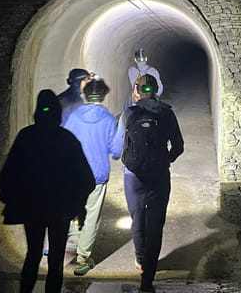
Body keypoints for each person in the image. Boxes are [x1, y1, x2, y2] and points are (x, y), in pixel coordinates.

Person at [0, 89, 94, 293]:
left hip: (32, 208)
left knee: (33, 254)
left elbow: (8, 174)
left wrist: (10, 198)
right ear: (58, 112)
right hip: (60, 209)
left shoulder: (26, 136)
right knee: (56, 260)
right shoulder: (67, 139)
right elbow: (86, 179)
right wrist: (78, 205)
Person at [112, 74, 183, 293]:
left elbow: (116, 149)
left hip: (133, 177)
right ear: (156, 90)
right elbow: (179, 146)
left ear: (137, 91)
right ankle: (148, 275)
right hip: (159, 177)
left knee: (137, 220)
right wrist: (165, 160)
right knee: (155, 225)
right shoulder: (167, 113)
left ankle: (140, 259)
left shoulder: (130, 113)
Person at [61, 78, 122, 276]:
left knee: (74, 212)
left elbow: (64, 142)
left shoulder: (74, 116)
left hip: (73, 174)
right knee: (91, 217)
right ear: (103, 96)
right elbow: (115, 151)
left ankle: (69, 243)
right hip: (97, 175)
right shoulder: (109, 119)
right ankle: (83, 259)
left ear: (86, 95)